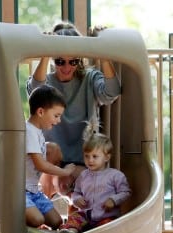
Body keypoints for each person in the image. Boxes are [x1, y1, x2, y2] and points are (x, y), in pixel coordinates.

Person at [26, 21, 121, 195]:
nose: (67, 67)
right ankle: (43, 209)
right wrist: (46, 52)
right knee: (49, 152)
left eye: (73, 61)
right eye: (60, 61)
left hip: (81, 160)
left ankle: (75, 217)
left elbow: (112, 92)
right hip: (50, 159)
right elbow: (35, 90)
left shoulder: (90, 78)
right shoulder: (47, 82)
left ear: (80, 60)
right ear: (54, 61)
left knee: (81, 182)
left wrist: (103, 53)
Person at [58, 120, 131, 233]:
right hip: (87, 215)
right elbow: (76, 192)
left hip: (106, 215)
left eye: (95, 156)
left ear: (106, 157)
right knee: (75, 217)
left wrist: (113, 200)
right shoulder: (83, 175)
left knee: (109, 225)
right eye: (87, 156)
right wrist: (77, 199)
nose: (90, 160)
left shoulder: (115, 175)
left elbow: (125, 192)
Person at [25, 84, 75, 229]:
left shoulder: (37, 131)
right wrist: (65, 172)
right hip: (21, 192)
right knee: (37, 220)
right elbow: (41, 165)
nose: (58, 120)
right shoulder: (29, 131)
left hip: (33, 191)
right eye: (56, 115)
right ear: (40, 112)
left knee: (56, 221)